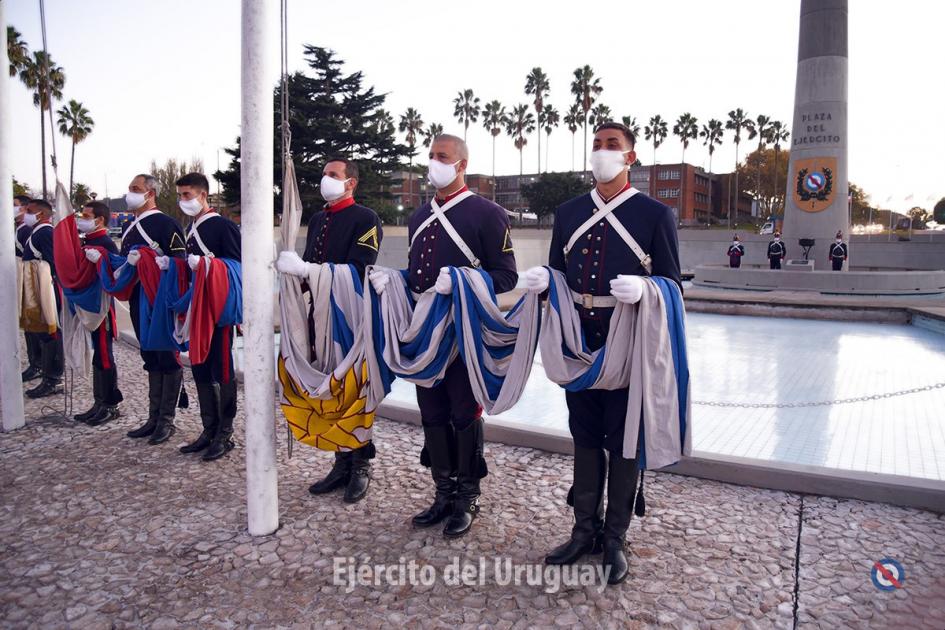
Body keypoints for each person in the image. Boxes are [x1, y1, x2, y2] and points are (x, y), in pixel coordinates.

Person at [524, 121, 682, 585]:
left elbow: (673, 285)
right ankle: (583, 531)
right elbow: (558, 270)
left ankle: (616, 538)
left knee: (624, 440)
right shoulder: (570, 210)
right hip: (578, 340)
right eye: (596, 144)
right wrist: (543, 280)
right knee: (585, 435)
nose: (602, 152)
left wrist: (647, 288)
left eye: (612, 145)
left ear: (630, 157)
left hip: (627, 340)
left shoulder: (655, 215)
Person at [369, 134, 517, 538]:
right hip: (424, 334)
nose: (434, 162)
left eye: (443, 157)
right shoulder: (419, 216)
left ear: (462, 164)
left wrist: (463, 280)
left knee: (463, 413)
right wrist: (395, 278)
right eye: (431, 156)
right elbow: (419, 276)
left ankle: (468, 496)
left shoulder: (488, 214)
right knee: (431, 414)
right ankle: (442, 493)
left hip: (464, 333)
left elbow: (506, 276)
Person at [276, 157, 383, 502]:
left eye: (333, 175)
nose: (326, 180)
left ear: (350, 182)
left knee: (354, 388)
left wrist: (309, 269)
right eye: (324, 174)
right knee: (330, 386)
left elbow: (359, 269)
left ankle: (361, 465)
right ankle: (340, 462)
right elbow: (309, 266)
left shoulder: (366, 218)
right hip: (319, 316)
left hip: (348, 315)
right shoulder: (320, 218)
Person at [170, 172, 242, 461]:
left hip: (218, 310)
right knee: (199, 367)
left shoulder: (223, 226)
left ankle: (225, 434)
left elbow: (237, 267)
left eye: (187, 195)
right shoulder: (191, 228)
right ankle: (209, 430)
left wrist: (207, 265)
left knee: (222, 370)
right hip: (197, 309)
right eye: (180, 195)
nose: (182, 200)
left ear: (203, 195)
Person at [112, 173, 186, 444]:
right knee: (149, 355)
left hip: (159, 297)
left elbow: (179, 261)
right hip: (136, 296)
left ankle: (167, 420)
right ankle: (153, 417)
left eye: (136, 189)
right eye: (130, 188)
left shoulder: (166, 223)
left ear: (150, 193)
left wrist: (153, 261)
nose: (130, 193)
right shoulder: (129, 227)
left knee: (166, 355)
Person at [74, 201, 124, 425]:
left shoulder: (105, 242)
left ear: (100, 219)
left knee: (104, 354)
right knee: (98, 355)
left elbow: (115, 273)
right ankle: (99, 402)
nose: (82, 219)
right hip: (88, 305)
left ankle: (110, 405)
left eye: (86, 215)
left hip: (102, 307)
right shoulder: (88, 241)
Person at [20, 199, 64, 399]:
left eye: (29, 211)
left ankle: (53, 378)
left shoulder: (45, 232)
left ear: (41, 214)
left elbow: (54, 264)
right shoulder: (35, 232)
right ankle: (46, 373)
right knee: (42, 333)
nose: (25, 213)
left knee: (50, 334)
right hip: (35, 288)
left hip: (46, 289)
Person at [14, 194, 43, 381]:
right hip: (23, 279)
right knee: (29, 326)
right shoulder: (20, 229)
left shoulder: (26, 230)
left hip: (31, 280)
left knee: (35, 326)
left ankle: (39, 365)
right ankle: (35, 363)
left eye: (15, 205)